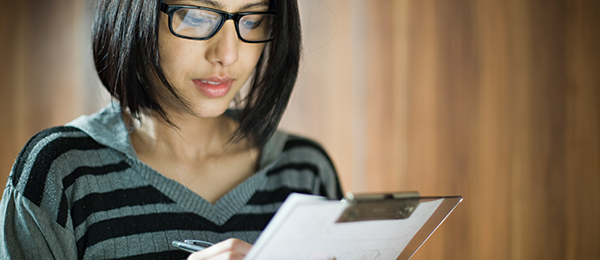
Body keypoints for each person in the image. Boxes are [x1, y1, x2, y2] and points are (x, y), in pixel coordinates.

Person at [0, 0, 344, 259]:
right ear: (136, 12)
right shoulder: (60, 173)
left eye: (252, 19)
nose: (227, 53)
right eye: (196, 17)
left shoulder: (305, 171)